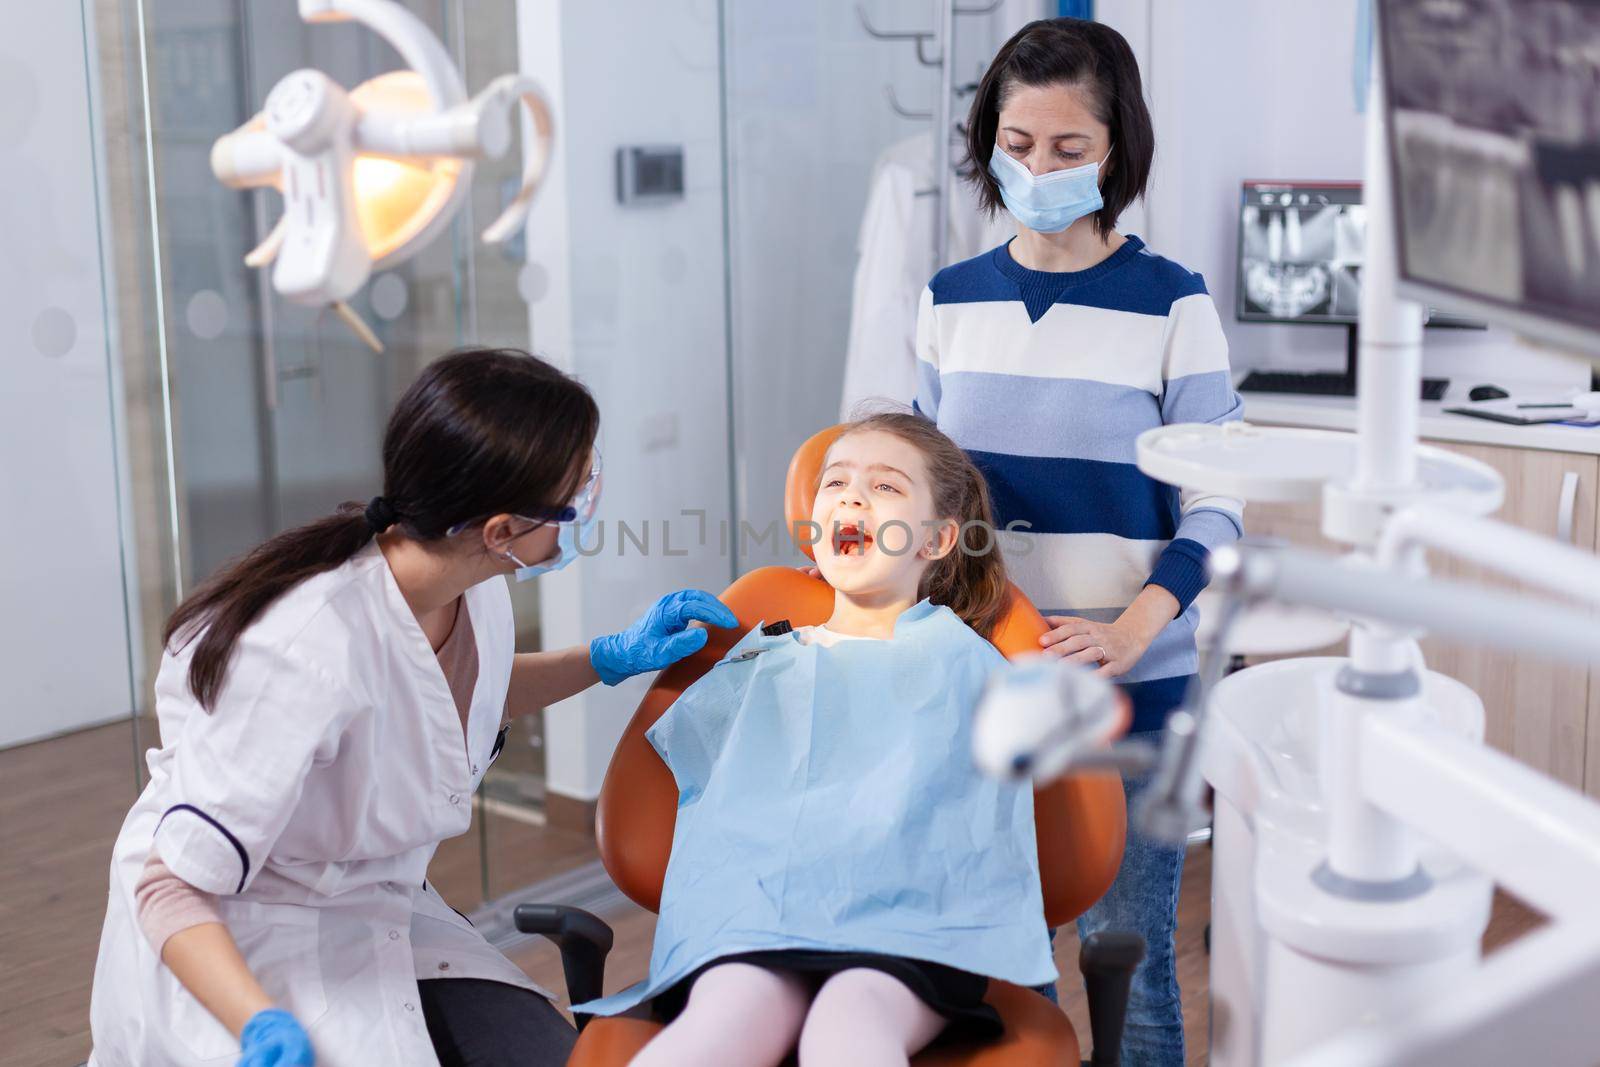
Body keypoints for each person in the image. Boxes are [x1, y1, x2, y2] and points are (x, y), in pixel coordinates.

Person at [87, 347, 738, 1067]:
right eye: (576, 497)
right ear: (500, 530)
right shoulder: (304, 651)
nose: (586, 508)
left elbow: (457, 694)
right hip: (235, 935)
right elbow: (171, 886)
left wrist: (606, 658)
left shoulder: (468, 586)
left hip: (373, 906)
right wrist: (261, 1023)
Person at [913, 19, 1244, 1066]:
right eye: (1017, 145)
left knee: (1130, 962)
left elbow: (1218, 504)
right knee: (1005, 959)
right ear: (986, 142)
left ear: (1116, 151)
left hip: (1133, 681)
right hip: (988, 672)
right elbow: (936, 494)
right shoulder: (946, 302)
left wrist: (1133, 629)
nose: (1039, 169)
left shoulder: (1172, 304)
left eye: (1068, 149)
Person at [573, 413, 1055, 1067]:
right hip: (754, 924)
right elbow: (709, 797)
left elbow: (976, 827)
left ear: (939, 537)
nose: (852, 497)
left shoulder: (968, 663)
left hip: (908, 934)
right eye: (836, 483)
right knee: (722, 1021)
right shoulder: (762, 653)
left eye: (884, 487)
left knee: (848, 1028)